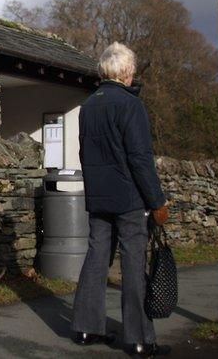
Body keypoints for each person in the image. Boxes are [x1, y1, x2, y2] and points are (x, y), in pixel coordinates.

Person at [71, 42, 170, 357]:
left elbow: (85, 154)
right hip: (129, 198)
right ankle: (139, 339)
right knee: (132, 263)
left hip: (99, 198)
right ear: (127, 72)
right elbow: (140, 159)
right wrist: (157, 202)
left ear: (103, 71)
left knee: (96, 259)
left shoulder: (88, 106)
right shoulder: (130, 105)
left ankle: (86, 328)